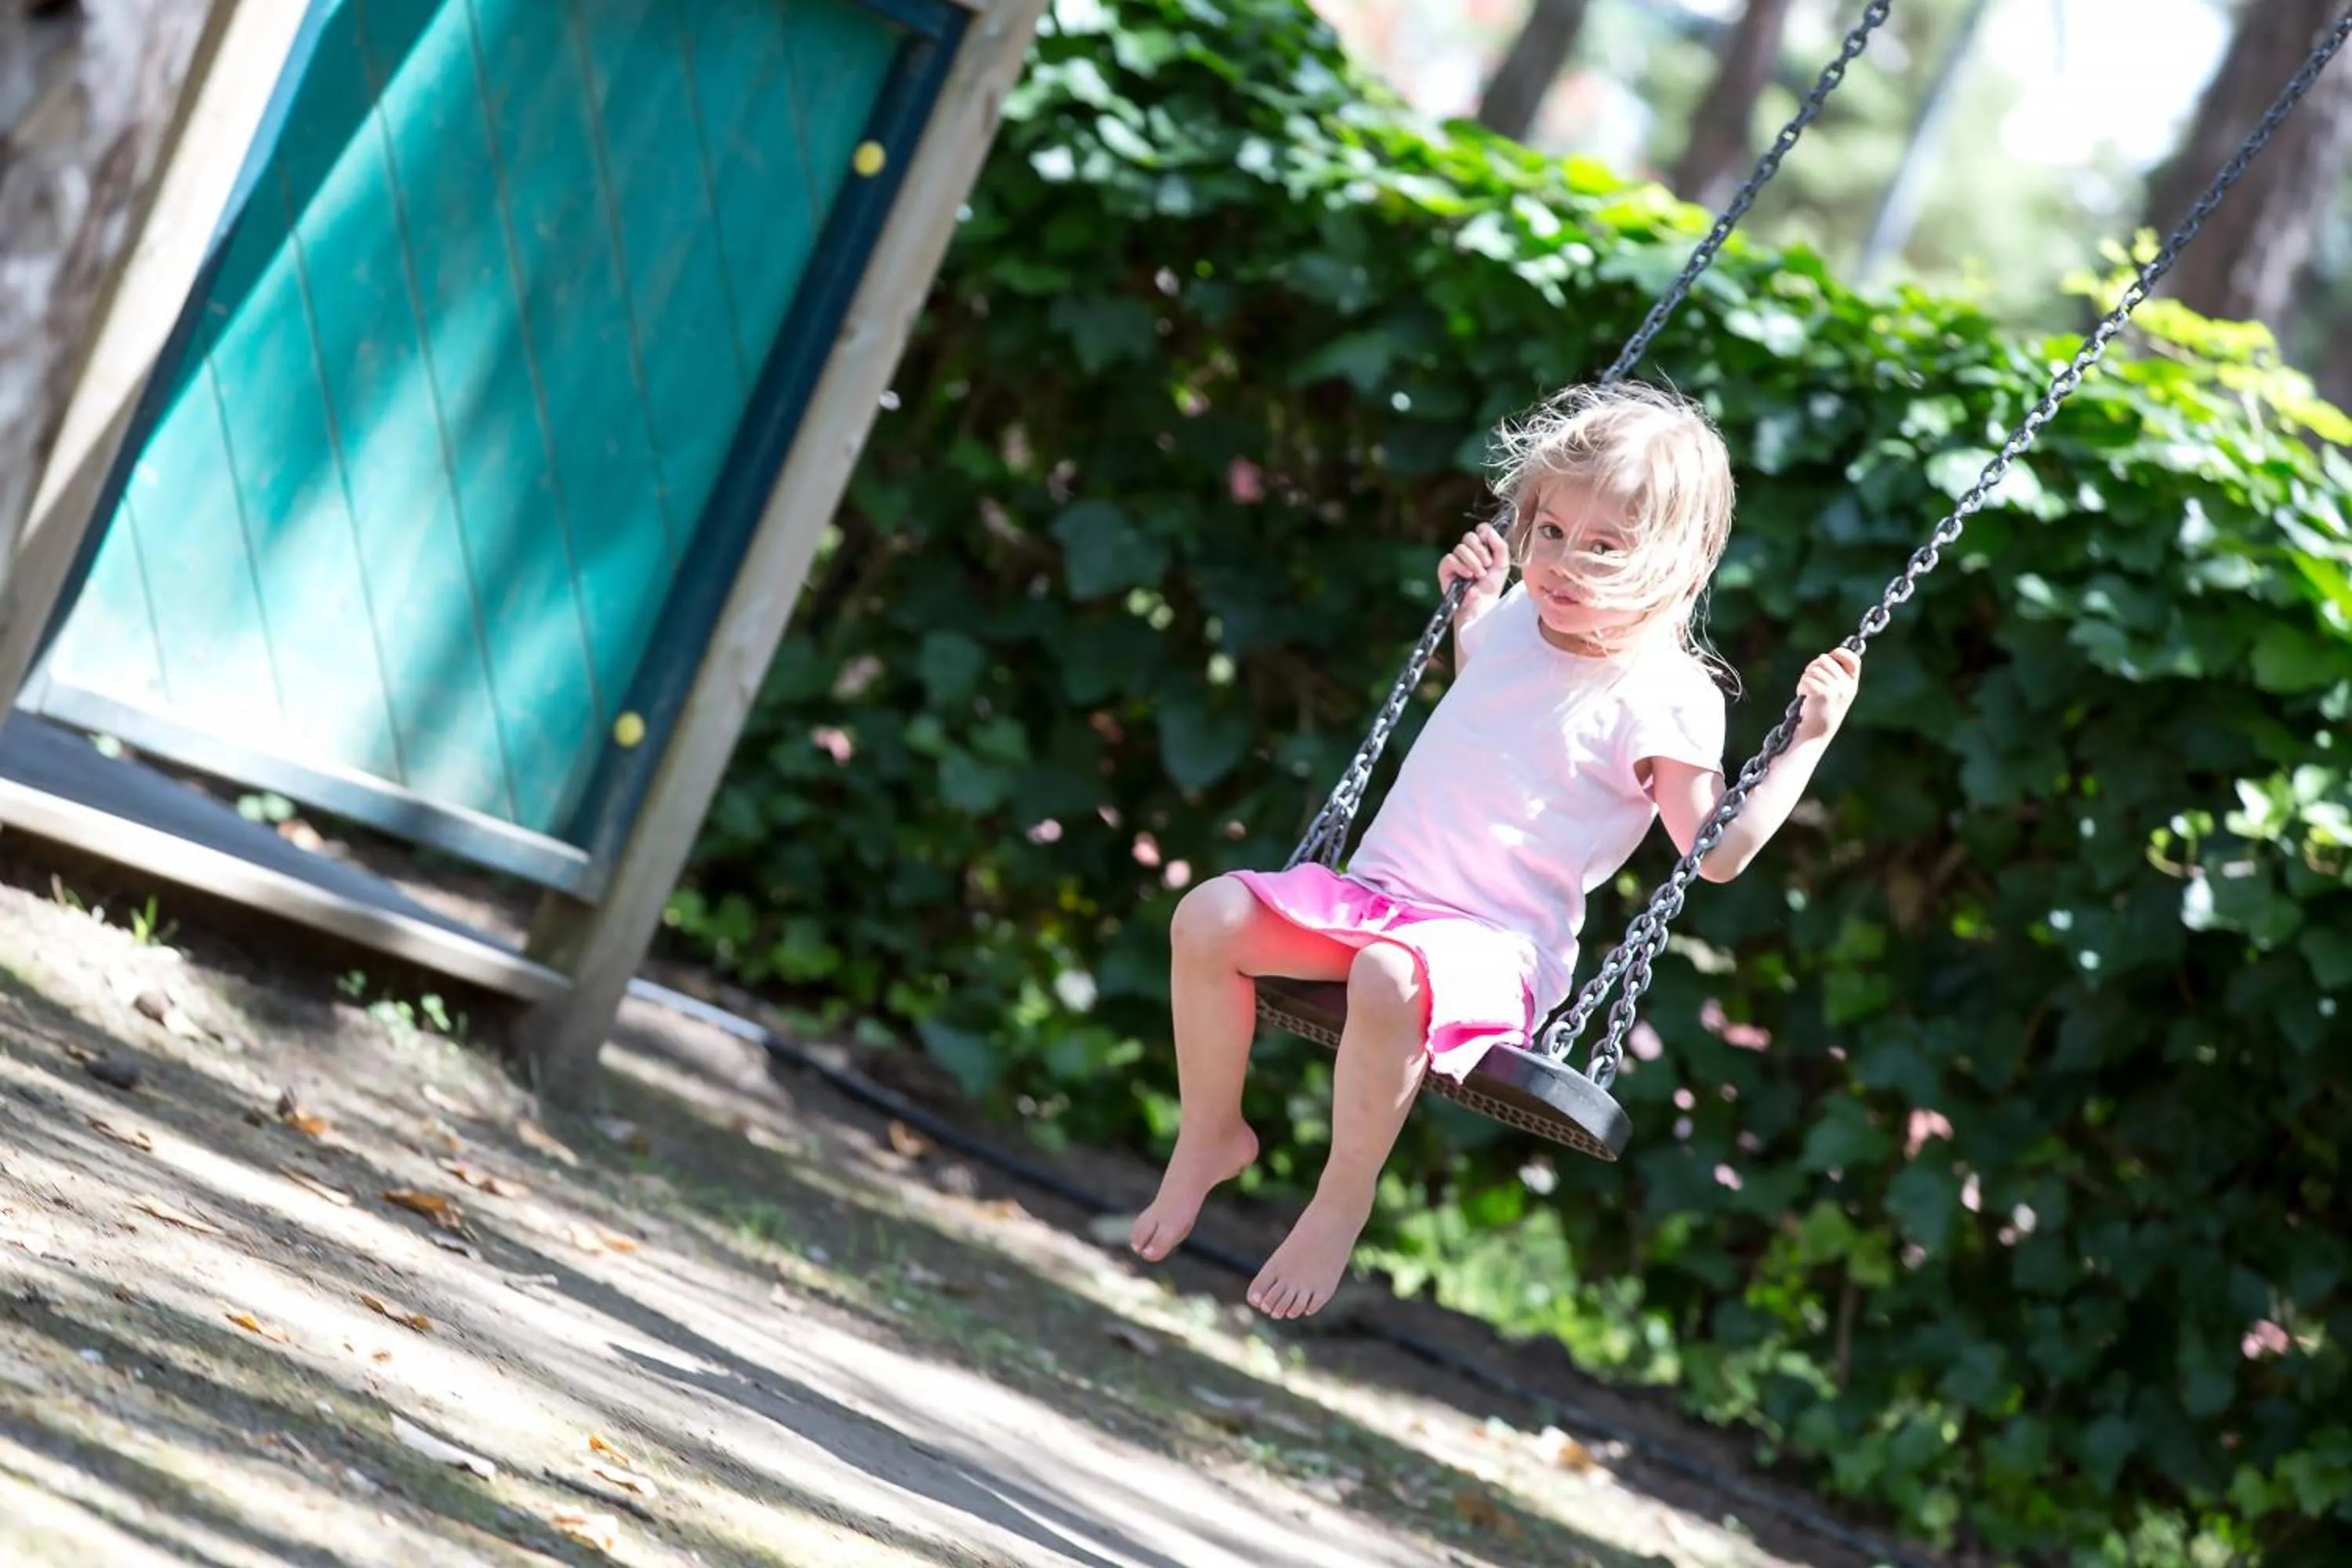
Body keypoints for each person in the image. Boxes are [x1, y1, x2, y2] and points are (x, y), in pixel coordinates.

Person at [1127, 381, 1865, 1319]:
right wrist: (1473, 600)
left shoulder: (1669, 693)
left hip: (1491, 949)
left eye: (1604, 547)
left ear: (1677, 566)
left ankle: (1339, 1200)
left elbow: (1713, 854)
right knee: (1211, 916)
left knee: (1392, 978)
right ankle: (1210, 1132)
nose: (1561, 562)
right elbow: (1496, 692)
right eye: (1550, 530)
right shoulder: (1522, 612)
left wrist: (1807, 740)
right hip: (1379, 900)